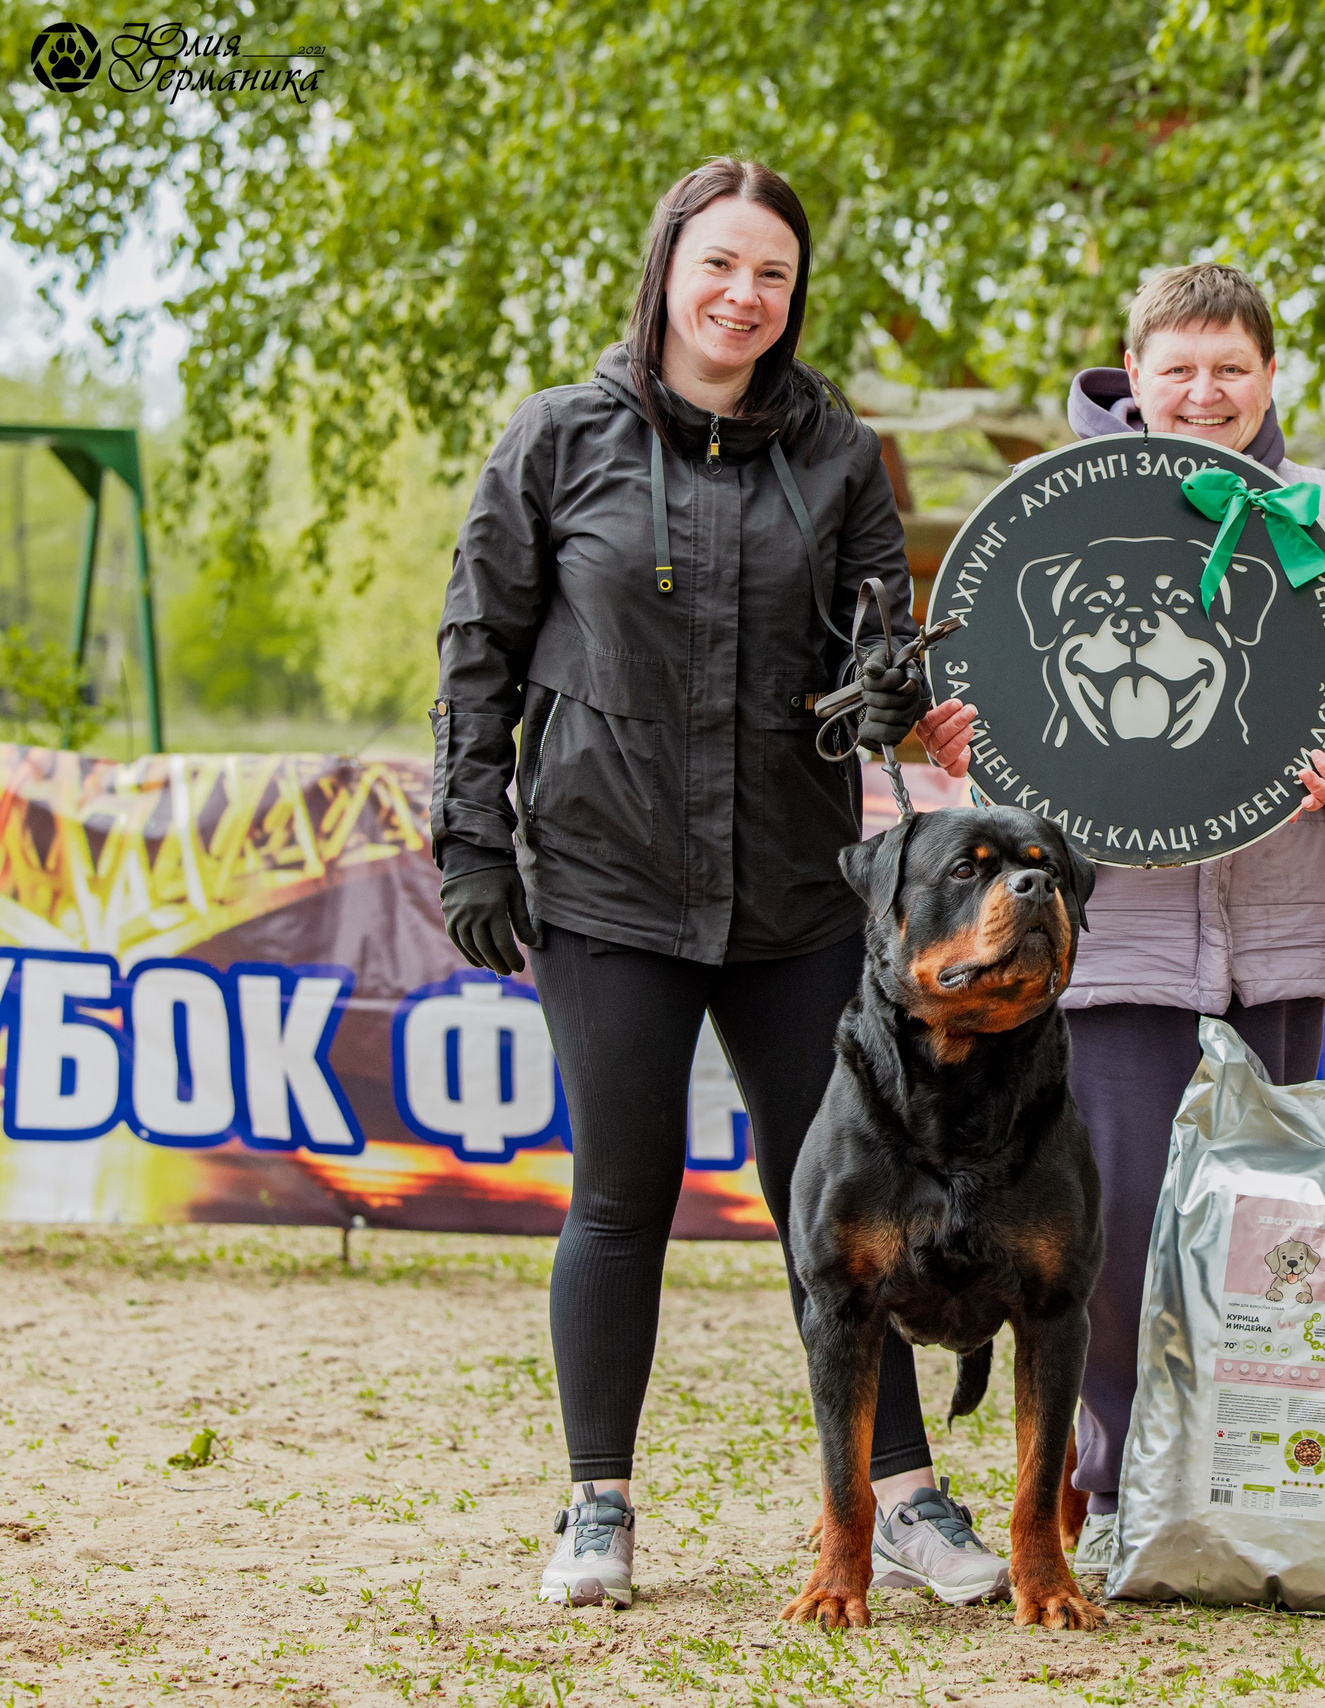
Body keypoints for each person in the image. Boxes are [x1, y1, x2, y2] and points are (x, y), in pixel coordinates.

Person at [432, 158, 1007, 1613]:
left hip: (796, 894)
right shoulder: (557, 440)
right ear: (668, 270)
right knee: (620, 1193)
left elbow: (879, 645)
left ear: (793, 297)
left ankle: (904, 1500)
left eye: (773, 275)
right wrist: (473, 841)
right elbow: (478, 649)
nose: (744, 296)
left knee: (847, 1195)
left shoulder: (839, 454)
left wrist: (889, 691)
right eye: (720, 265)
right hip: (606, 879)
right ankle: (598, 1507)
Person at [917, 262, 1325, 1574]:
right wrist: (963, 742)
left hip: (1280, 932)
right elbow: (982, 700)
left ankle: (1246, 1492)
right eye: (1178, 369)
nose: (1204, 393)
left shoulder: (1323, 520)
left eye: (1230, 369)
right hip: (1114, 944)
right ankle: (1119, 1477)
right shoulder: (1042, 514)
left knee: (1268, 1241)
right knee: (1117, 1229)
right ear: (1134, 373)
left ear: (1269, 378)